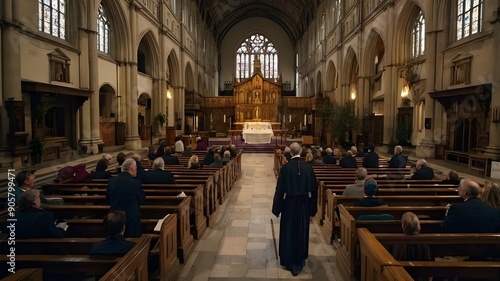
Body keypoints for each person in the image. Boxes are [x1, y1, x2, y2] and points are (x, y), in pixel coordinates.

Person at [272, 142, 317, 276]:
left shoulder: (286, 168)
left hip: (289, 205)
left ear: (290, 152)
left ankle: (289, 260)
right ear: (301, 152)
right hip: (303, 204)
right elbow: (314, 190)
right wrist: (312, 208)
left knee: (289, 231)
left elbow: (280, 190)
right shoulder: (308, 168)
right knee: (301, 231)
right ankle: (299, 261)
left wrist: (277, 208)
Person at [106, 158, 146, 237]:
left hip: (115, 219)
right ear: (131, 168)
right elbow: (142, 200)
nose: (136, 171)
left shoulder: (111, 181)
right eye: (136, 169)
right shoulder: (136, 183)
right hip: (131, 220)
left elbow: (108, 198)